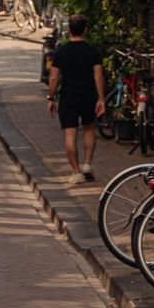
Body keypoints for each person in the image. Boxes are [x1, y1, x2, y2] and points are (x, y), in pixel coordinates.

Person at [48, 14, 107, 182]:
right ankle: (87, 164)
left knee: (70, 133)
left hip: (68, 96)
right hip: (88, 94)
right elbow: (98, 76)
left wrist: (50, 98)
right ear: (85, 30)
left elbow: (53, 78)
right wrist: (101, 98)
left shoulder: (61, 51)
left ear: (69, 30)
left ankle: (76, 172)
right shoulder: (92, 50)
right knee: (89, 128)